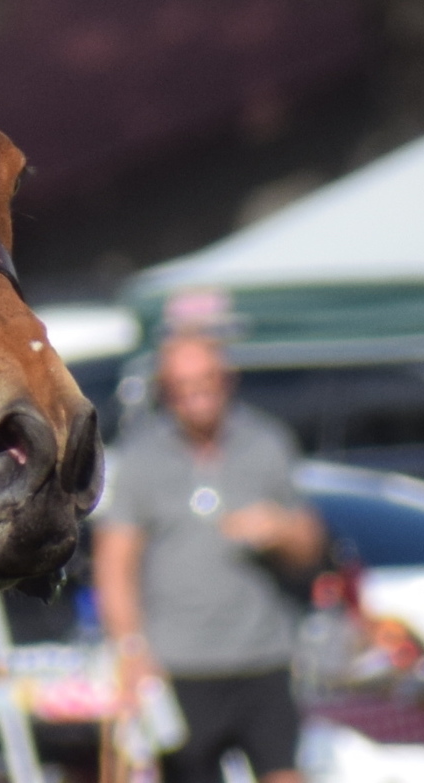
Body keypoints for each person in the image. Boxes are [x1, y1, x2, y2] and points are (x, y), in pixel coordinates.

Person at [92, 330, 326, 783]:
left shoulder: (265, 443)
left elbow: (310, 546)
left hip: (262, 655)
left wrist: (278, 528)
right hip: (181, 662)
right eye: (182, 388)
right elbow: (114, 562)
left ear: (226, 381)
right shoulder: (143, 458)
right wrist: (130, 647)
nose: (195, 397)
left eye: (205, 383)